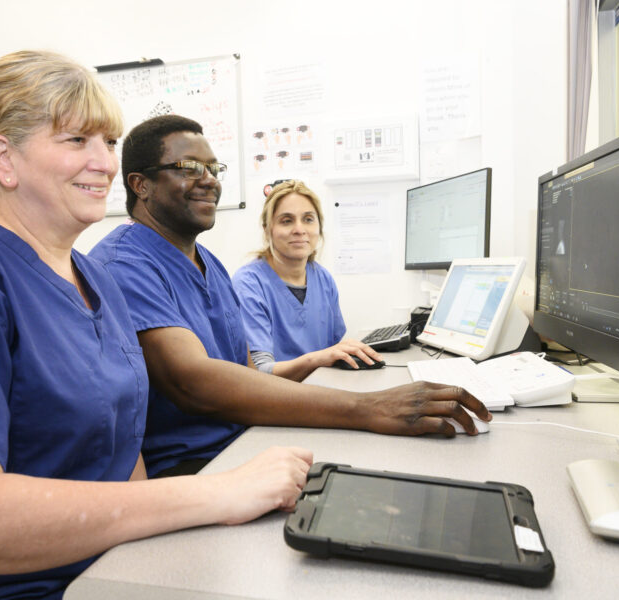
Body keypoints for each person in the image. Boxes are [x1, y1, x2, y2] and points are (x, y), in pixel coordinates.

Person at [0, 51, 311, 599]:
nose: (105, 163)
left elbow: (122, 450)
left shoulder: (95, 278)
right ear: (4, 159)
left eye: (108, 141)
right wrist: (214, 496)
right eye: (76, 140)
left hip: (91, 569)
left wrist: (160, 562)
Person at [88, 115, 491, 479]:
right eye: (189, 168)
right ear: (140, 185)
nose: (209, 179)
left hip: (248, 438)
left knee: (402, 468)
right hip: (194, 465)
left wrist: (364, 405)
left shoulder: (208, 262)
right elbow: (193, 382)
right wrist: (367, 407)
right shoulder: (125, 264)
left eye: (213, 168)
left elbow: (247, 373)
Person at [232, 180, 381, 381]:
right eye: (287, 220)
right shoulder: (249, 284)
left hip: (320, 392)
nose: (299, 229)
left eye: (308, 219)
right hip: (274, 402)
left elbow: (333, 351)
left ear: (319, 227)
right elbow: (259, 372)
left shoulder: (323, 279)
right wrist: (316, 359)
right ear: (268, 229)